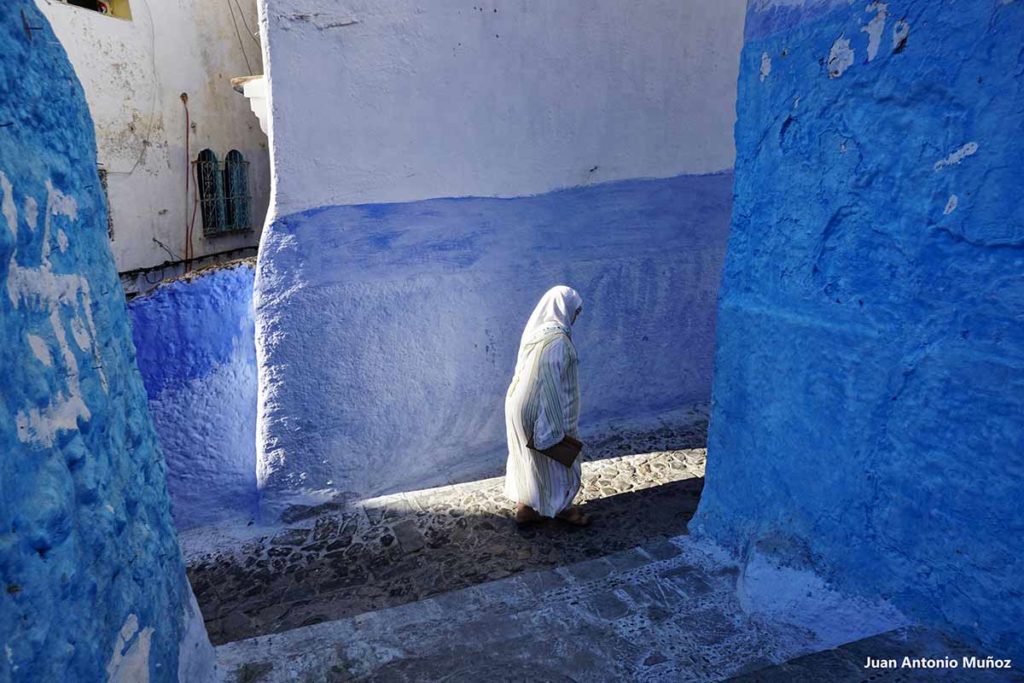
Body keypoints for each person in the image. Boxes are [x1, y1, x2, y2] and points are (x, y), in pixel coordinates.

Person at [504, 285, 590, 527]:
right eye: (576, 310)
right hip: (540, 408)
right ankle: (564, 509)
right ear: (564, 308)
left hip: (517, 405)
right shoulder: (558, 341)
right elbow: (550, 381)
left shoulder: (538, 333)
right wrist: (551, 425)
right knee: (559, 460)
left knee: (526, 458)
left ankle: (527, 508)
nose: (576, 315)